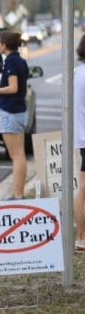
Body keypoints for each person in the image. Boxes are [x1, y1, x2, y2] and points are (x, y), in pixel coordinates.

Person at [0, 30, 29, 199]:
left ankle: (17, 194)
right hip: (18, 110)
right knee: (20, 154)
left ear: (4, 44)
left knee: (16, 155)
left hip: (10, 111)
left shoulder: (11, 62)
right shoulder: (20, 61)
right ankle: (18, 192)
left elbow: (13, 87)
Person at [74, 35, 85, 251]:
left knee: (83, 187)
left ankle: (81, 236)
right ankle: (81, 237)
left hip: (81, 136)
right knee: (83, 188)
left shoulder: (78, 73)